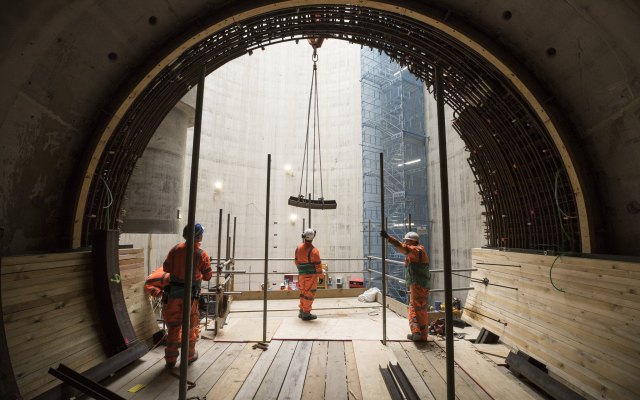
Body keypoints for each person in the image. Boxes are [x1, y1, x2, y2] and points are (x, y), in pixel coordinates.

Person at [162, 223, 213, 368]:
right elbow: (208, 276)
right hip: (190, 297)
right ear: (198, 236)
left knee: (173, 325)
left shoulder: (175, 249)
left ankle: (170, 359)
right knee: (190, 326)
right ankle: (189, 356)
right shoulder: (200, 254)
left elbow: (166, 268)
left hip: (173, 295)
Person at [380, 230, 430, 341]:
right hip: (421, 284)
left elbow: (402, 248)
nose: (405, 243)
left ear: (412, 242)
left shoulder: (416, 250)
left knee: (414, 308)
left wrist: (389, 238)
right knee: (421, 309)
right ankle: (423, 335)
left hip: (418, 285)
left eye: (407, 241)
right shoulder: (419, 250)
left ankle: (417, 333)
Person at [295, 228, 322, 320]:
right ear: (312, 237)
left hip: (301, 275)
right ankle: (306, 314)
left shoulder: (298, 248)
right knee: (309, 294)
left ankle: (302, 311)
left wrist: (301, 270)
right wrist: (321, 276)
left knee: (303, 293)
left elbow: (296, 261)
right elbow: (318, 266)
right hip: (311, 276)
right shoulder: (314, 251)